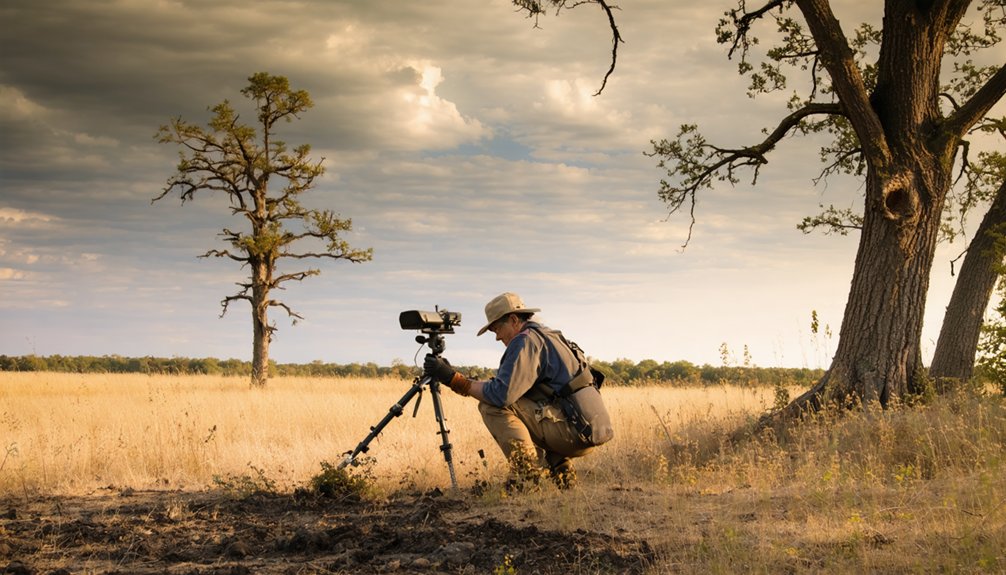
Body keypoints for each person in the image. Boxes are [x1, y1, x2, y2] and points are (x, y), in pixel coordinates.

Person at [424, 292, 612, 489]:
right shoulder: (549, 335)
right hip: (588, 429)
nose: (497, 337)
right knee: (525, 401)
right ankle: (562, 471)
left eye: (497, 329)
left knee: (492, 406)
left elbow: (500, 395)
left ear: (513, 320)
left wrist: (454, 380)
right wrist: (456, 377)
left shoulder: (525, 341)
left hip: (574, 433)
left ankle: (526, 477)